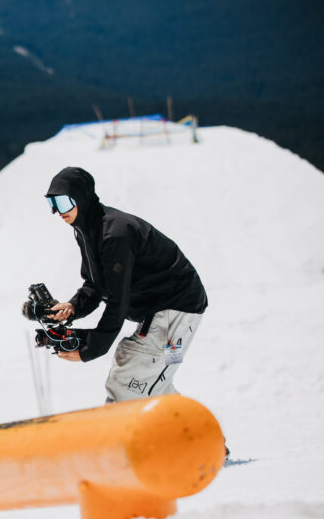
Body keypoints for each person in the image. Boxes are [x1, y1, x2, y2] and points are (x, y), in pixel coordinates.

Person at [42, 166, 208, 403]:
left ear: (81, 198)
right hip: (161, 309)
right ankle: (195, 437)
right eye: (52, 204)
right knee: (150, 380)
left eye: (63, 202)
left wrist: (91, 349)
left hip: (175, 307)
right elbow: (95, 285)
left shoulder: (115, 234)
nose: (58, 212)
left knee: (130, 378)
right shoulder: (86, 230)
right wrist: (73, 307)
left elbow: (119, 300)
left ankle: (120, 434)